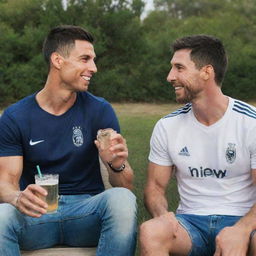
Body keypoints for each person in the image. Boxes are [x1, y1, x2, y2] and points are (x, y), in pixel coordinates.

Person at [0, 25, 137, 256]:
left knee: (122, 199)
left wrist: (116, 164)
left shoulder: (99, 110)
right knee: (2, 215)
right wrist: (16, 196)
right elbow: (5, 183)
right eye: (85, 59)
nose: (93, 68)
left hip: (86, 212)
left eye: (93, 60)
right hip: (38, 215)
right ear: (57, 60)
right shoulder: (16, 116)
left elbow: (125, 186)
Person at [139, 34, 256, 256]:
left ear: (207, 72)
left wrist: (242, 229)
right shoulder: (167, 126)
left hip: (241, 219)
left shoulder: (250, 123)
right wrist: (162, 214)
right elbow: (154, 188)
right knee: (151, 231)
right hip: (190, 223)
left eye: (179, 68)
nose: (170, 76)